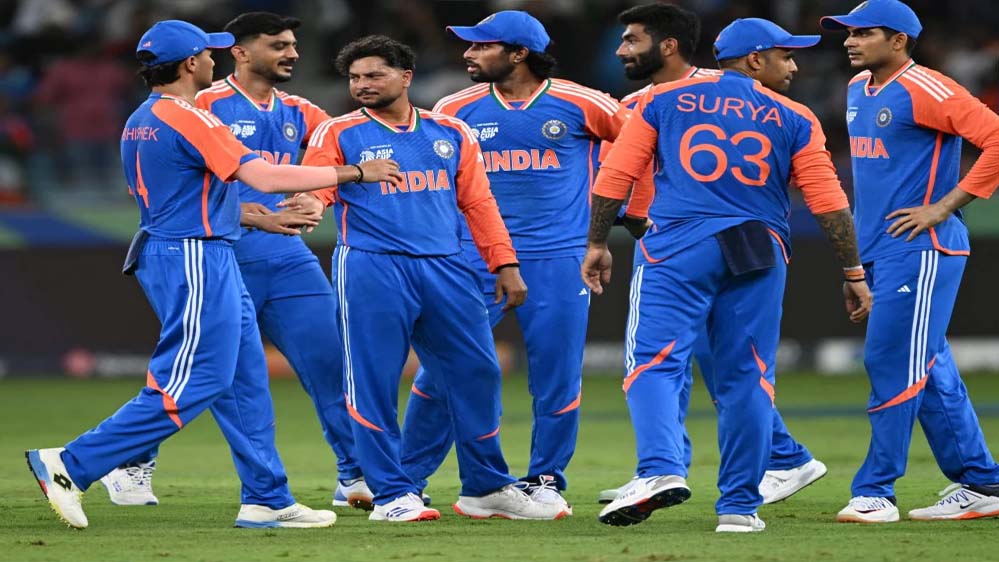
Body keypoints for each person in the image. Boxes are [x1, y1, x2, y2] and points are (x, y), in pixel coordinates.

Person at [24, 20, 402, 530]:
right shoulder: (190, 116)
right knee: (200, 378)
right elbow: (263, 176)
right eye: (208, 54)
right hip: (193, 255)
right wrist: (355, 172)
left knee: (244, 381)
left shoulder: (144, 116)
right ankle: (73, 463)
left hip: (198, 248)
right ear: (190, 63)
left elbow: (184, 192)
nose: (213, 60)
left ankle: (266, 498)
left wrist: (252, 216)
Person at [585, 18, 872, 532]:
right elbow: (829, 203)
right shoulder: (797, 116)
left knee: (654, 362)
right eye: (786, 55)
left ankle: (660, 469)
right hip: (758, 248)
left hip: (677, 245)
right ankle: (739, 508)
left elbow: (615, 176)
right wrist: (853, 270)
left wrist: (597, 242)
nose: (794, 65)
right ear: (755, 59)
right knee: (749, 377)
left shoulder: (661, 100)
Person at [98, 11, 374, 512]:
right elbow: (164, 190)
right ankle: (133, 460)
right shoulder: (197, 104)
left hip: (287, 259)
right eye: (278, 45)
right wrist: (254, 215)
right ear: (240, 53)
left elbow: (338, 152)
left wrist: (319, 200)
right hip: (219, 254)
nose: (292, 53)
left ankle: (354, 473)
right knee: (210, 375)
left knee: (333, 364)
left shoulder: (301, 111)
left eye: (293, 44)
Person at [300, 34, 568, 523]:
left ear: (405, 77)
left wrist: (504, 264)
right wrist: (309, 205)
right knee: (374, 381)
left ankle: (485, 487)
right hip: (373, 266)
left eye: (374, 74)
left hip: (448, 266)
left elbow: (478, 203)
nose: (362, 84)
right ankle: (391, 493)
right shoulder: (338, 132)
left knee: (478, 371)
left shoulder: (451, 131)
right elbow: (317, 184)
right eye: (355, 77)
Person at [398, 10, 627, 512]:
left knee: (556, 376)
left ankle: (545, 479)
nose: (469, 54)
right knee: (443, 371)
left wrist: (622, 219)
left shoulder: (583, 102)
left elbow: (639, 149)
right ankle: (405, 481)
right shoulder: (455, 107)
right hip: (474, 259)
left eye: (482, 46)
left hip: (559, 259)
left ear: (519, 53)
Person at [819, 0, 999, 523]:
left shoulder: (929, 88)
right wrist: (856, 265)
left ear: (898, 40)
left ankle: (876, 491)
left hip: (923, 248)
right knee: (929, 366)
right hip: (879, 249)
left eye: (863, 33)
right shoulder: (858, 88)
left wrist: (943, 206)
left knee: (891, 361)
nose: (849, 41)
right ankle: (982, 482)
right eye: (847, 33)